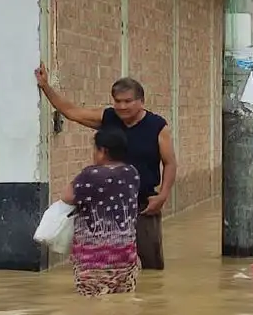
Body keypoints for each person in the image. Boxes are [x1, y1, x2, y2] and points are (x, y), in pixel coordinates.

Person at [36, 63, 177, 271]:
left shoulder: (157, 126)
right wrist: (46, 86)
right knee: (108, 262)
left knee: (150, 265)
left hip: (143, 204)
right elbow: (72, 112)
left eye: (128, 101)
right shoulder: (108, 118)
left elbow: (170, 162)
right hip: (106, 207)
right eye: (117, 101)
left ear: (141, 102)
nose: (122, 106)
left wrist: (163, 195)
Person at [60, 128, 141, 296]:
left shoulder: (90, 175)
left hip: (93, 261)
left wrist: (81, 176)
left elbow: (67, 197)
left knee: (92, 305)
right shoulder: (132, 173)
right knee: (123, 301)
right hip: (126, 257)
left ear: (103, 151)